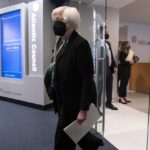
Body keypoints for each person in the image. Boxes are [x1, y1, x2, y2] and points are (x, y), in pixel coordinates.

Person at [45, 6, 103, 150]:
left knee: (62, 142)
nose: (55, 23)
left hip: (74, 103)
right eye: (54, 20)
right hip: (62, 99)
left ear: (70, 22)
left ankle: (91, 143)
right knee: (73, 133)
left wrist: (83, 109)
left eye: (59, 20)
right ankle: (91, 143)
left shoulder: (80, 44)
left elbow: (87, 78)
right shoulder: (60, 42)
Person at [105, 29, 118, 110]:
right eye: (105, 32)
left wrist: (114, 66)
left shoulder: (108, 43)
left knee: (109, 87)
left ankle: (109, 103)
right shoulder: (97, 42)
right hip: (101, 69)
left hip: (109, 69)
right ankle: (97, 106)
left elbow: (111, 56)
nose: (107, 33)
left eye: (107, 31)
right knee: (100, 89)